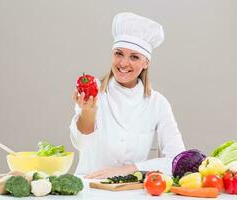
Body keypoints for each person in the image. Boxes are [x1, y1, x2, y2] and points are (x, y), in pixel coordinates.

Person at [70, 12, 185, 179]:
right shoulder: (93, 90)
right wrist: (88, 112)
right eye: (119, 53)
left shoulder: (157, 103)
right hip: (88, 186)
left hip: (130, 190)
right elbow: (81, 143)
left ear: (146, 63)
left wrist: (129, 169)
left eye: (134, 57)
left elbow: (178, 160)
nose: (123, 63)